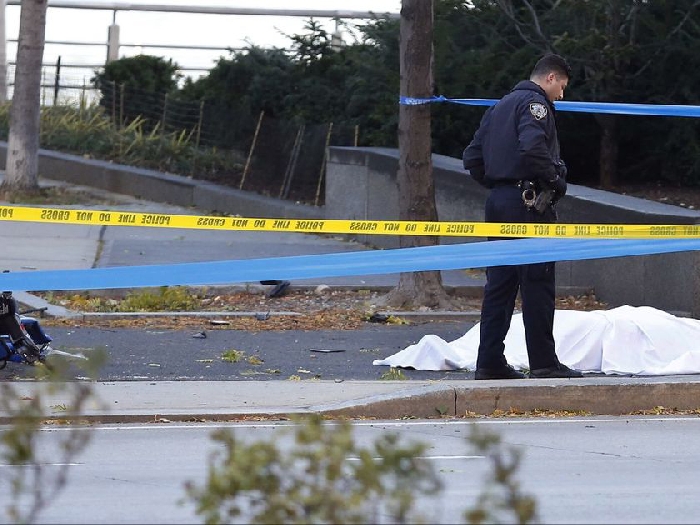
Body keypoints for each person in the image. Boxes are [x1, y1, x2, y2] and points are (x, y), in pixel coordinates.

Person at [462, 53, 583, 380]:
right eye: (562, 87)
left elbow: (472, 157)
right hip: (529, 205)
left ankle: (489, 362)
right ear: (551, 78)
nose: (561, 95)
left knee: (499, 284)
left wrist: (499, 185)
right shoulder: (535, 105)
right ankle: (544, 362)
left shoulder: (498, 107)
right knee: (538, 283)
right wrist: (555, 181)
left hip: (499, 203)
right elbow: (533, 148)